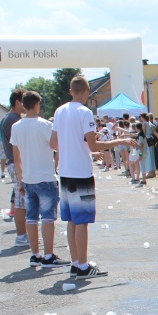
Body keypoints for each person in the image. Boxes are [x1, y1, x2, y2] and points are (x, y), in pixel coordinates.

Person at [50, 75, 137, 278]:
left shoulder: (59, 111)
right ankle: (83, 266)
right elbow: (93, 145)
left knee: (71, 220)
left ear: (70, 91)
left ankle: (75, 263)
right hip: (81, 172)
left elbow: (53, 144)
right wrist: (120, 141)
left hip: (65, 171)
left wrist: (72, 144)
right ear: (88, 91)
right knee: (82, 221)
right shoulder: (85, 112)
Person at [11, 91, 68, 267]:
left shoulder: (16, 127)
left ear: (23, 105)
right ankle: (48, 255)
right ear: (37, 104)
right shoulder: (46, 125)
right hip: (45, 176)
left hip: (28, 178)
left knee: (31, 217)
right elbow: (57, 147)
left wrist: (20, 179)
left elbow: (16, 157)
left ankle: (35, 254)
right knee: (48, 217)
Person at [0, 89, 29, 246]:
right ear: (18, 102)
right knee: (22, 202)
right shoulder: (14, 120)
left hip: (14, 162)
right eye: (25, 102)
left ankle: (23, 235)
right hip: (18, 163)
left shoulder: (8, 118)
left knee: (20, 201)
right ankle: (22, 236)